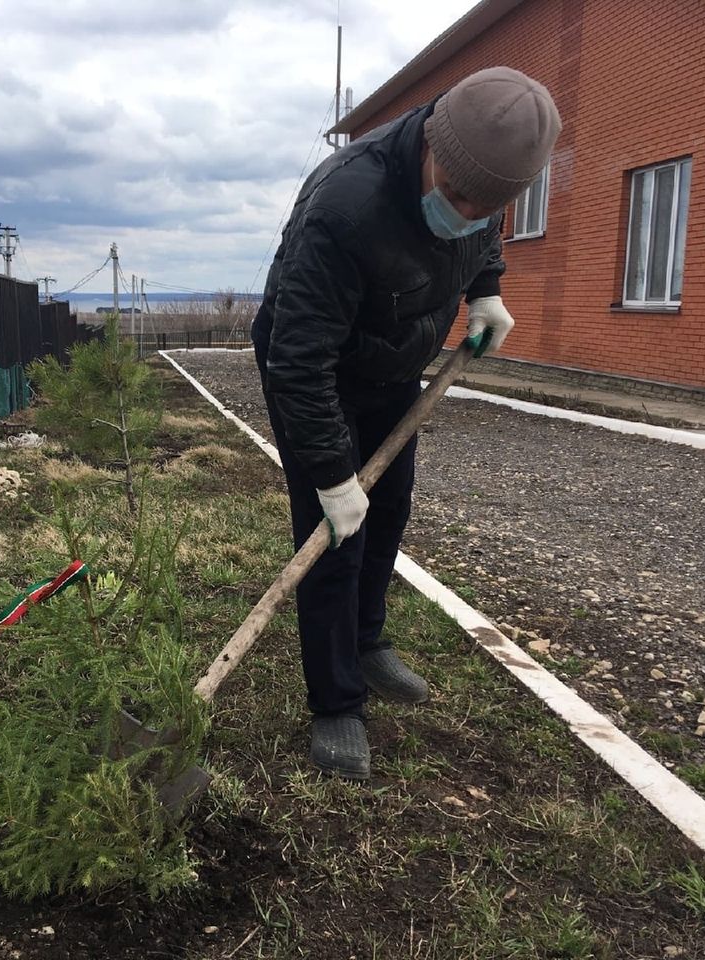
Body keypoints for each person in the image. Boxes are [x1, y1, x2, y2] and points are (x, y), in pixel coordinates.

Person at [251, 66, 561, 779]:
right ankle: (336, 703)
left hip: (396, 362)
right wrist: (330, 474)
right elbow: (299, 362)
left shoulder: (484, 181)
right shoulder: (345, 206)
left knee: (387, 509)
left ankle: (366, 638)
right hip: (316, 368)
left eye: (485, 205)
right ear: (431, 146)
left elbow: (482, 233)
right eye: (454, 195)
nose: (466, 211)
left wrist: (486, 290)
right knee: (335, 535)